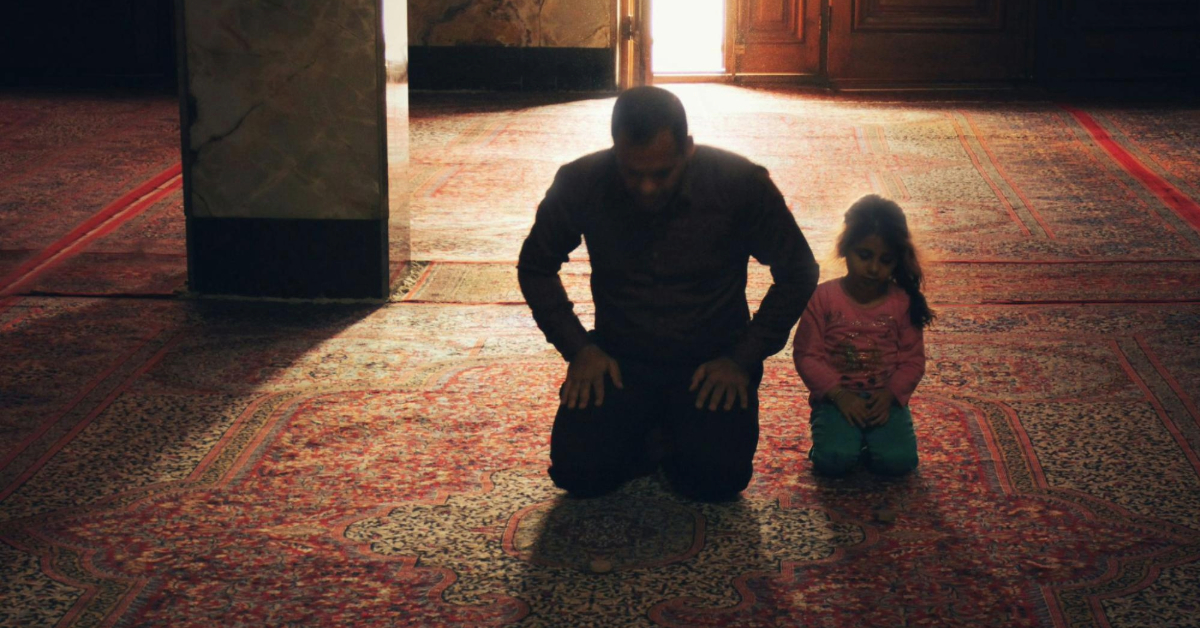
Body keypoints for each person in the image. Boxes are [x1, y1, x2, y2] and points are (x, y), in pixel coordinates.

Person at [517, 86, 819, 502]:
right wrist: (580, 349)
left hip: (711, 362)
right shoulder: (582, 181)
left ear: (688, 150)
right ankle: (656, 431)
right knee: (579, 474)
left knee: (717, 481)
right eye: (632, 172)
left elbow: (799, 270)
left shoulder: (740, 183)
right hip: (620, 361)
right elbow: (535, 266)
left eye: (661, 174)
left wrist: (742, 359)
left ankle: (663, 433)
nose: (645, 187)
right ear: (615, 150)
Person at [792, 194, 934, 478]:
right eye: (864, 255)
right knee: (833, 461)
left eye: (885, 260)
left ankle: (868, 444)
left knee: (899, 462)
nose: (873, 268)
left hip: (884, 399)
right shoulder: (823, 298)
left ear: (898, 261)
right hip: (836, 398)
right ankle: (838, 440)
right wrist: (838, 394)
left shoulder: (902, 302)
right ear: (845, 248)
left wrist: (891, 395)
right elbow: (807, 355)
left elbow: (912, 361)